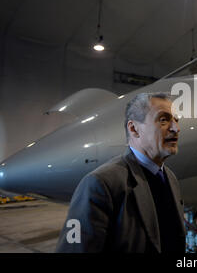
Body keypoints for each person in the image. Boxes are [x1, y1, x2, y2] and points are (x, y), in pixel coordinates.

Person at [55, 92, 186, 253]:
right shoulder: (100, 184)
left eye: (176, 120)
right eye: (164, 120)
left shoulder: (170, 178)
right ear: (134, 129)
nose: (176, 128)